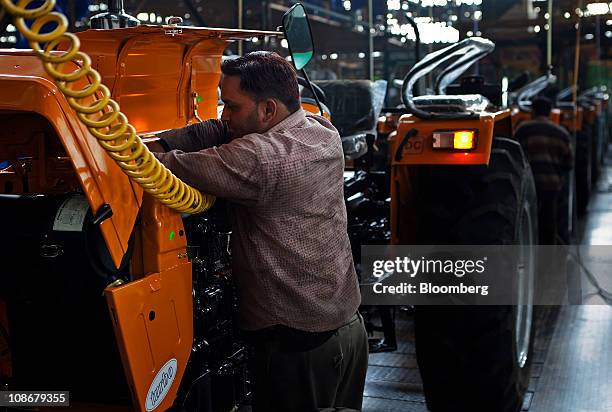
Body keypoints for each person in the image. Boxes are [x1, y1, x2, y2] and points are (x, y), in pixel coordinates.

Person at [149, 51, 368, 412]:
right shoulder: (321, 130)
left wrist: (141, 151)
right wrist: (171, 138)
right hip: (347, 327)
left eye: (231, 106)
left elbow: (165, 169)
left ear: (267, 110)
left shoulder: (261, 159)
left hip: (296, 345)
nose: (224, 115)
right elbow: (221, 129)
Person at [514, 96, 574, 244]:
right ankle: (548, 258)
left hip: (529, 185)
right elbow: (569, 163)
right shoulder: (561, 133)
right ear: (549, 112)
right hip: (551, 186)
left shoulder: (523, 130)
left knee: (528, 221)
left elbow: (515, 157)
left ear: (533, 111)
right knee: (549, 222)